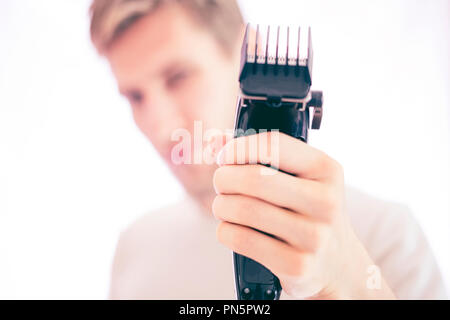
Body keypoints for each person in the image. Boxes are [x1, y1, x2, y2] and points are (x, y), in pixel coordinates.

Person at [89, 0, 447, 299]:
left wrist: (349, 281)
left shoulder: (387, 237)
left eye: (178, 77)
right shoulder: (134, 250)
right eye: (135, 96)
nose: (159, 126)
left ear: (249, 53)